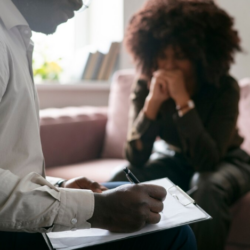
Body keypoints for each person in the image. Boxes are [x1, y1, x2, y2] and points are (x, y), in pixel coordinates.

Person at [0, 0, 197, 249]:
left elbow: (9, 165)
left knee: (141, 201)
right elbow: (135, 154)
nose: (79, 2)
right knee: (175, 234)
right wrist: (96, 210)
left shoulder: (16, 37)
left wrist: (57, 187)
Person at [109, 0, 250, 249]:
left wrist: (183, 102)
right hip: (174, 158)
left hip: (227, 160)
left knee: (207, 186)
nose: (170, 65)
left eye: (181, 56)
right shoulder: (145, 85)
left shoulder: (223, 87)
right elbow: (136, 157)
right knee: (121, 178)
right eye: (162, 56)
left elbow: (208, 161)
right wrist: (152, 103)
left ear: (199, 56)